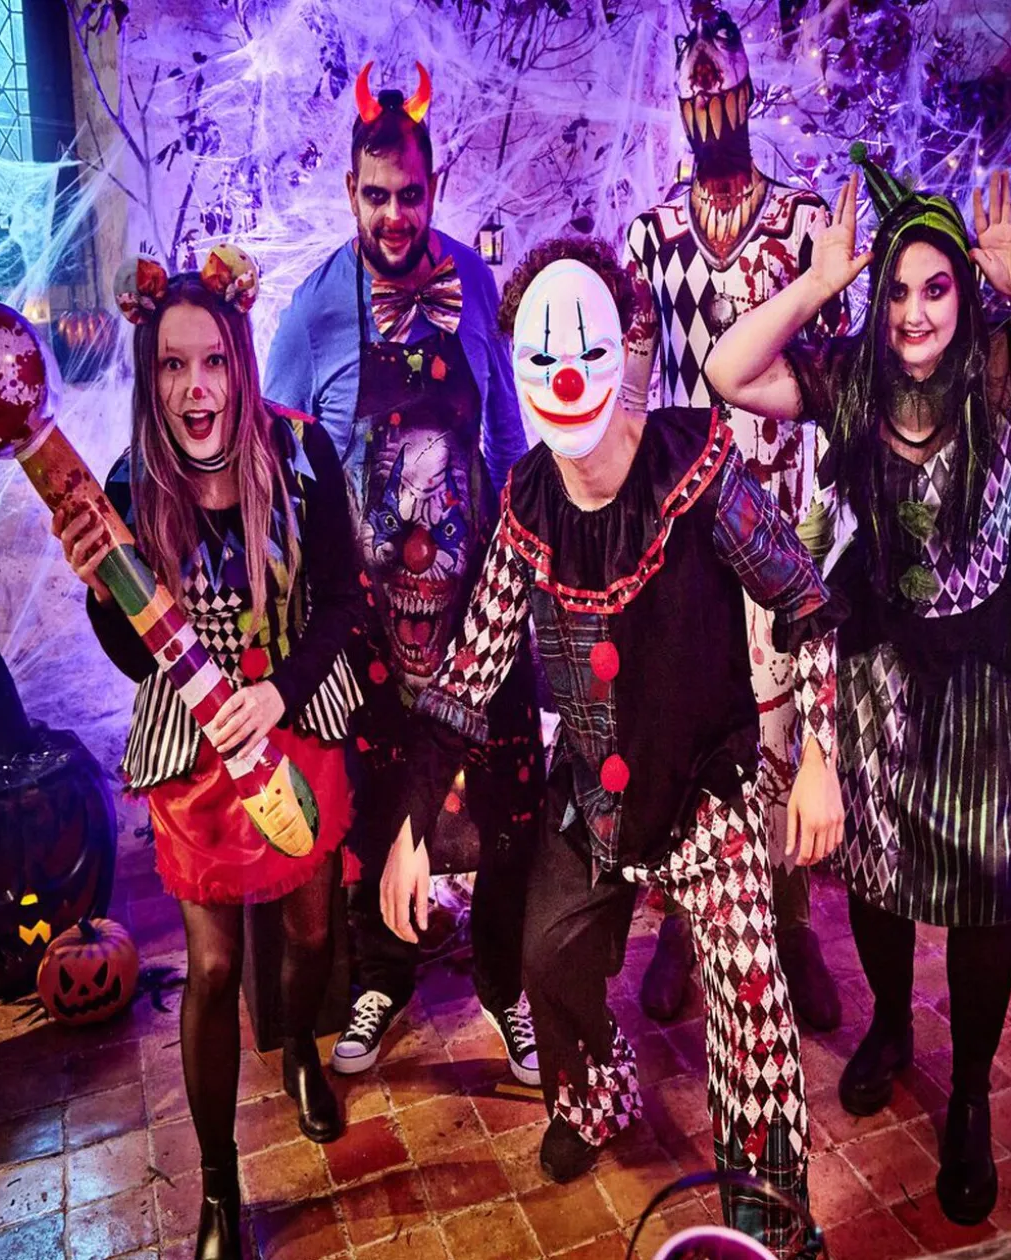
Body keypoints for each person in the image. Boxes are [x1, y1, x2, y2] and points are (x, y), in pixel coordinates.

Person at [706, 152, 1011, 1225]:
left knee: (986, 884)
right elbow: (729, 372)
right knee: (877, 870)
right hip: (881, 654)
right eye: (898, 291)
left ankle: (970, 1097)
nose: (914, 312)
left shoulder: (1005, 366)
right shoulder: (852, 377)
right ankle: (894, 1026)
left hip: (989, 665)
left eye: (937, 287)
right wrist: (818, 284)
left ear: (964, 290)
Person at [381, 238, 845, 1253]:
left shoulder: (695, 465)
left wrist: (819, 755)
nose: (568, 378)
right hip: (593, 797)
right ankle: (597, 1096)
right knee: (545, 955)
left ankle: (769, 1225)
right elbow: (470, 669)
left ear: (628, 344)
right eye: (542, 358)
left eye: (587, 351)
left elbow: (804, 599)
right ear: (518, 367)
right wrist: (415, 829)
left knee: (753, 1007)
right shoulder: (526, 505)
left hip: (705, 792)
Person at [55, 248, 363, 1260]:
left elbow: (343, 603)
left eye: (214, 362)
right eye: (174, 366)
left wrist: (280, 692)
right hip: (192, 744)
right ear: (153, 378)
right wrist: (103, 590)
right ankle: (223, 1188)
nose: (197, 388)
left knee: (312, 934)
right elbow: (129, 653)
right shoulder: (128, 485)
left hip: (297, 714)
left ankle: (302, 1048)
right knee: (216, 963)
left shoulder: (303, 454)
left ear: (240, 359)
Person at [265, 64, 544, 1086]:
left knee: (512, 796)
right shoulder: (312, 310)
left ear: (436, 188)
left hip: (479, 602)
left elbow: (506, 436)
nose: (395, 215)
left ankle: (506, 985)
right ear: (351, 192)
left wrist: (525, 564)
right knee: (380, 795)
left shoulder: (473, 282)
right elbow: (280, 453)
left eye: (412, 194)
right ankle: (382, 978)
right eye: (376, 195)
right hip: (372, 615)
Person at [622, 4, 846, 1030]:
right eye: (693, 93)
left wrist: (831, 507)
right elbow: (636, 389)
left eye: (724, 88)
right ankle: (685, 922)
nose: (709, 107)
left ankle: (790, 923)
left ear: (752, 95)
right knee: (691, 721)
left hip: (782, 515)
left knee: (781, 720)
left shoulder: (804, 225)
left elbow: (834, 383)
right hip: (686, 527)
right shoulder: (651, 235)